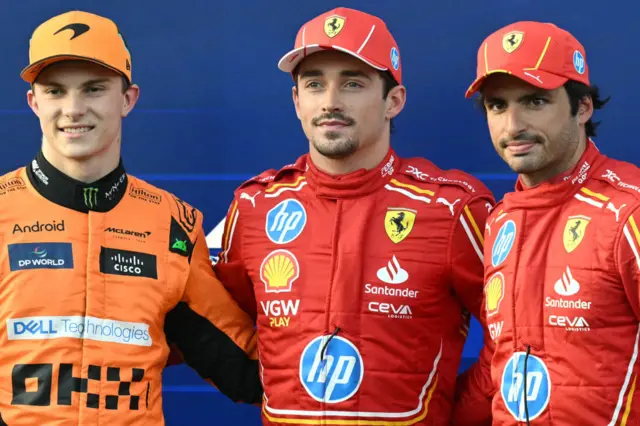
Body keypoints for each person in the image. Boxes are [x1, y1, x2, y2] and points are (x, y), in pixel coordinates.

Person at [212, 7, 495, 425]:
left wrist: (456, 414)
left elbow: (521, 337)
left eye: (353, 83)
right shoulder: (255, 206)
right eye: (314, 84)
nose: (330, 102)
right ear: (296, 100)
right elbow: (216, 325)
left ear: (393, 101)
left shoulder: (453, 208)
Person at [0, 10, 262, 425]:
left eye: (93, 89)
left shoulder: (173, 223)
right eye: (54, 91)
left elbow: (246, 371)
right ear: (33, 102)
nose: (73, 108)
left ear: (127, 99)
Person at [453, 20, 640, 425]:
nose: (513, 125)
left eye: (535, 101)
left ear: (583, 107)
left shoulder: (630, 211)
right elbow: (498, 360)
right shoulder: (501, 219)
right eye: (497, 105)